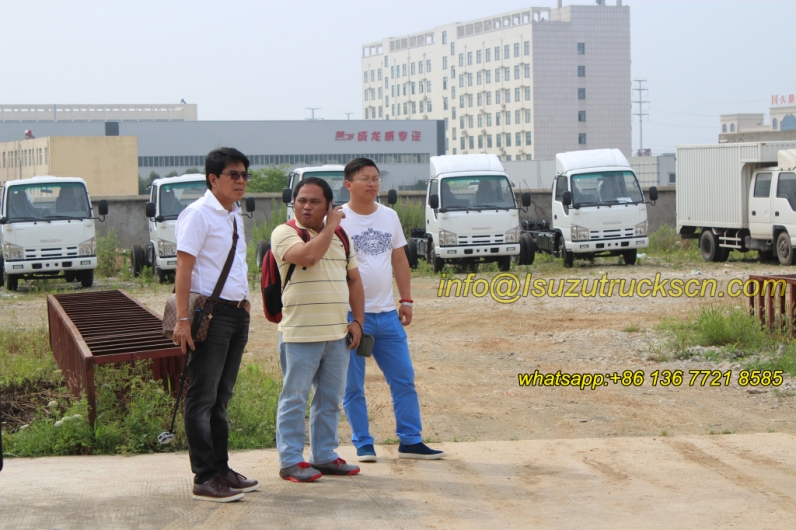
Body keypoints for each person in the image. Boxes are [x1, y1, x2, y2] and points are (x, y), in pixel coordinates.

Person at [340, 158, 444, 462]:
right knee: (352, 386)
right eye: (364, 179)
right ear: (348, 184)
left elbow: (399, 260)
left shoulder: (389, 217)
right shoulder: (337, 219)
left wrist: (406, 300)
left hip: (386, 315)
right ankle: (363, 442)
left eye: (375, 178)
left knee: (403, 379)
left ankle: (410, 440)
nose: (372, 184)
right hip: (350, 317)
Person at [172, 147, 258, 503]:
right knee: (202, 397)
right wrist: (181, 320)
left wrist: (247, 306)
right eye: (233, 175)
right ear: (213, 179)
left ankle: (221, 470)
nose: (241, 182)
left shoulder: (234, 215)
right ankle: (204, 477)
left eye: (244, 175)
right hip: (210, 315)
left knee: (221, 398)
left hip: (237, 313)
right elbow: (184, 269)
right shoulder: (198, 215)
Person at [271, 177, 366, 482]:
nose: (307, 206)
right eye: (302, 200)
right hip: (300, 334)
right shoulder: (285, 233)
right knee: (294, 398)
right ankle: (290, 461)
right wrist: (330, 226)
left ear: (327, 205)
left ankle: (324, 456)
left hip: (337, 334)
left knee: (330, 400)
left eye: (315, 201)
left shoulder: (340, 238)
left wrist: (357, 321)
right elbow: (309, 256)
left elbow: (354, 281)